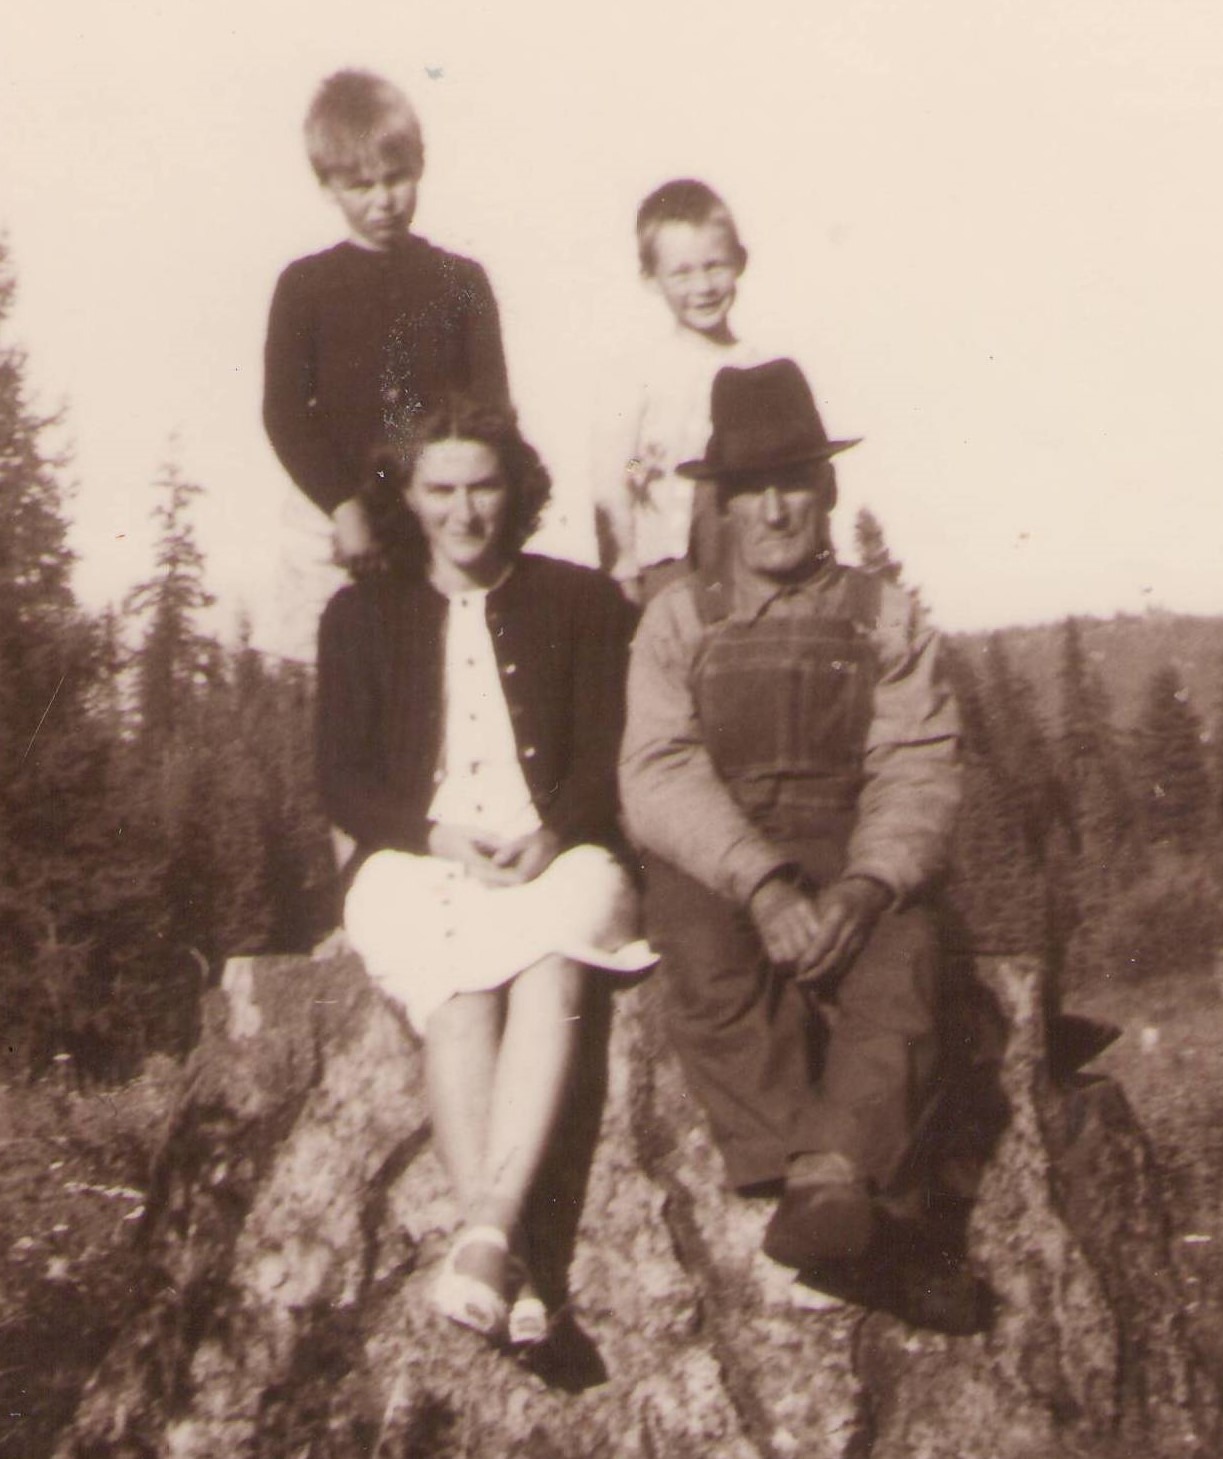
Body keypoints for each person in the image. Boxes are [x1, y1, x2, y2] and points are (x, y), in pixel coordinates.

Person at [316, 395, 653, 1344]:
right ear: (409, 498)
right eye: (441, 489)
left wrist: (554, 832)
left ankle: (488, 1235)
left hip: (556, 847)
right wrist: (435, 837)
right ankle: (515, 1256)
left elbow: (610, 754)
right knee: (459, 993)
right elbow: (340, 779)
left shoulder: (581, 601)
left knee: (555, 958)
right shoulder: (359, 616)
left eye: (484, 486)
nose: (464, 512)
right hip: (418, 857)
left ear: (517, 490)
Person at [619, 359, 961, 1278]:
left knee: (909, 960)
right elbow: (658, 772)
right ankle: (836, 1186)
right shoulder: (678, 620)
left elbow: (917, 766)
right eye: (751, 489)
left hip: (853, 855)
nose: (774, 509)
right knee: (700, 951)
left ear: (827, 489)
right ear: (720, 504)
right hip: (726, 864)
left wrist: (866, 886)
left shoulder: (886, 616)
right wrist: (762, 883)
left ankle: (828, 1179)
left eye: (794, 484)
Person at [265, 69, 509, 653]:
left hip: (441, 518)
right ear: (327, 185)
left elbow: (492, 407)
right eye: (360, 185)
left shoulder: (461, 282)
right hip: (333, 524)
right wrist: (344, 508)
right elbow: (284, 414)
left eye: (396, 178)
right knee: (334, 684)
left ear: (420, 166)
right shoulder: (304, 286)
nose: (383, 200)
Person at [592, 179, 767, 605]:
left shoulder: (757, 368)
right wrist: (624, 562)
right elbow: (621, 472)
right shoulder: (645, 372)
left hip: (742, 567)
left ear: (740, 261)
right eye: (682, 273)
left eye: (715, 266)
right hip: (665, 565)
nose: (703, 287)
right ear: (652, 279)